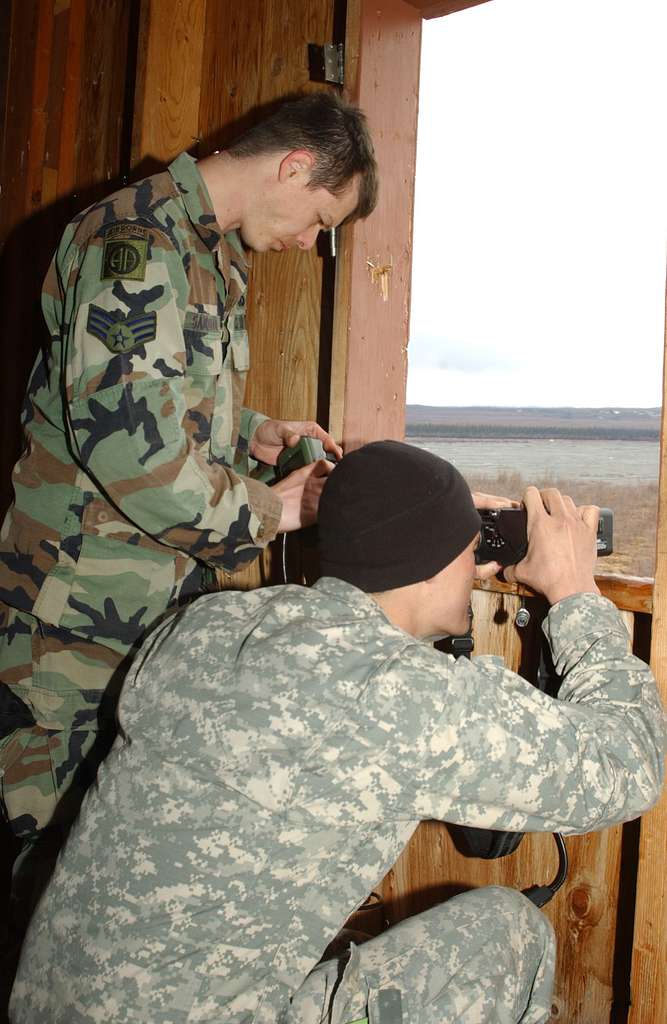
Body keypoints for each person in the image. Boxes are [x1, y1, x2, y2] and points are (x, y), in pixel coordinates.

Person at [11, 441, 665, 1023]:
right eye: (469, 552)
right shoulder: (390, 694)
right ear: (435, 561)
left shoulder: (205, 626)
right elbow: (629, 764)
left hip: (44, 1004)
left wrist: (437, 548)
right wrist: (577, 593)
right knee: (506, 933)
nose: (475, 566)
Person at [0, 92, 377, 965]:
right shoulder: (135, 242)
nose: (309, 243)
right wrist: (270, 508)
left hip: (136, 611)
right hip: (72, 618)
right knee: (53, 877)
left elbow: (165, 401)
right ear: (292, 168)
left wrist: (259, 434)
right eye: (320, 219)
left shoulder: (205, 253)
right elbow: (125, 445)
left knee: (110, 865)